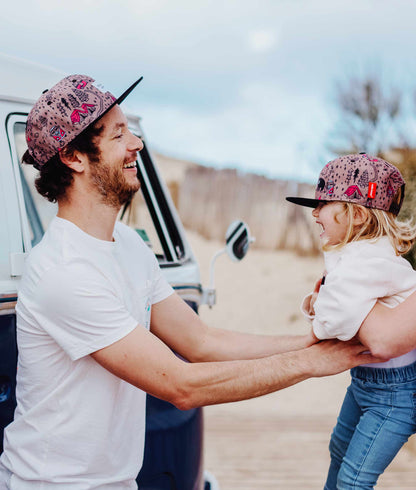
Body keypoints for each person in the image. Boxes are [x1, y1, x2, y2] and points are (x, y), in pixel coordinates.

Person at [0, 75, 378, 490]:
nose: (136, 144)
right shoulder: (62, 270)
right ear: (73, 157)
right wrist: (310, 364)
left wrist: (311, 340)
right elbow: (180, 386)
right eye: (118, 134)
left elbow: (201, 341)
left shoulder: (126, 244)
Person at [286, 152, 416, 490]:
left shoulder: (368, 261)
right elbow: (339, 305)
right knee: (339, 450)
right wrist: (321, 302)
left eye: (324, 205)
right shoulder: (357, 257)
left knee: (355, 479)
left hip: (394, 393)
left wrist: (316, 325)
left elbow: (340, 319)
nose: (315, 213)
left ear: (357, 215)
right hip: (365, 382)